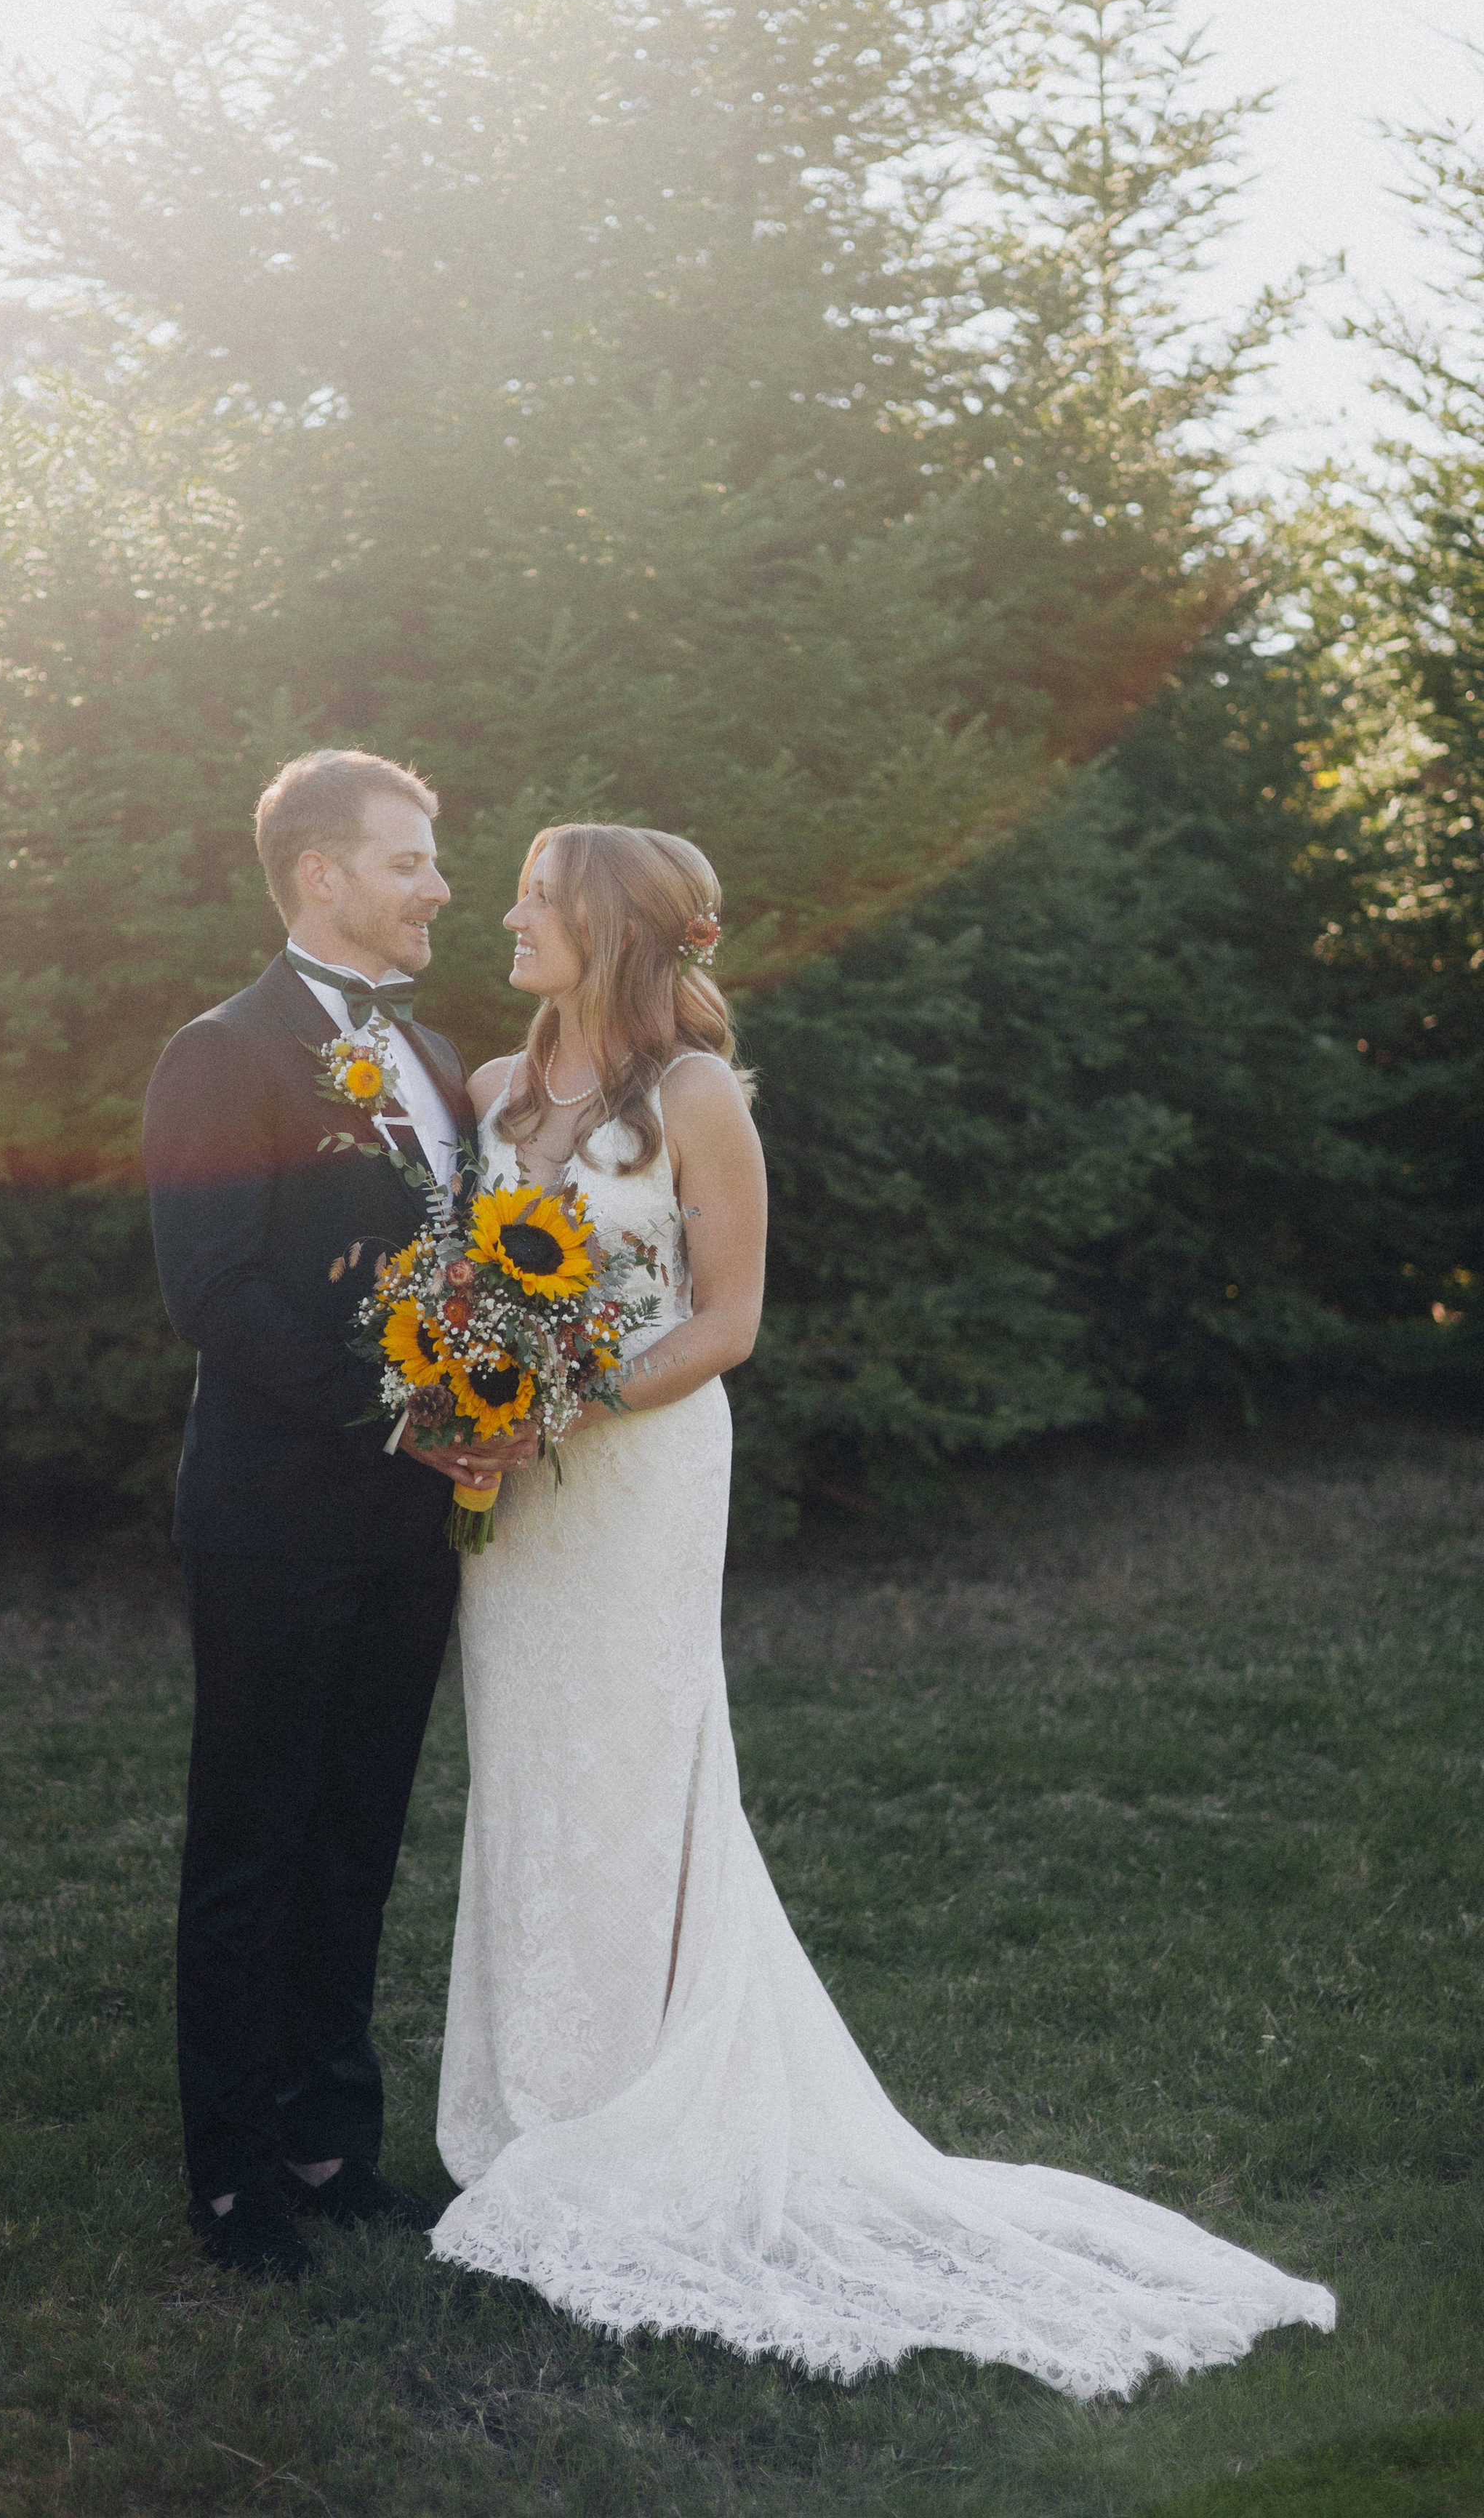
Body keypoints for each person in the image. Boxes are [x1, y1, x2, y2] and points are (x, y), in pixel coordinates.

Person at [429, 820, 1337, 2397]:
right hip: (510, 1498)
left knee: (638, 1766)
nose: (506, 916)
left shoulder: (700, 1101)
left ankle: (643, 2100)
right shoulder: (491, 1098)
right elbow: (455, 1289)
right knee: (525, 1769)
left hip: (636, 1476)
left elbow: (728, 1320)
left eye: (535, 897)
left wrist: (562, 1405)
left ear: (615, 932)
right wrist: (468, 1393)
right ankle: (530, 2104)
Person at [142, 747, 533, 2282]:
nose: (439, 886)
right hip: (272, 1516)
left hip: (408, 1527)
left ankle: (329, 2139)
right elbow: (216, 1292)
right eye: (411, 861)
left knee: (359, 1833)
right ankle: (232, 2175)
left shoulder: (433, 1054)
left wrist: (492, 1398)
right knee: (253, 1838)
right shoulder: (219, 1055)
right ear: (321, 873)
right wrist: (415, 1421)